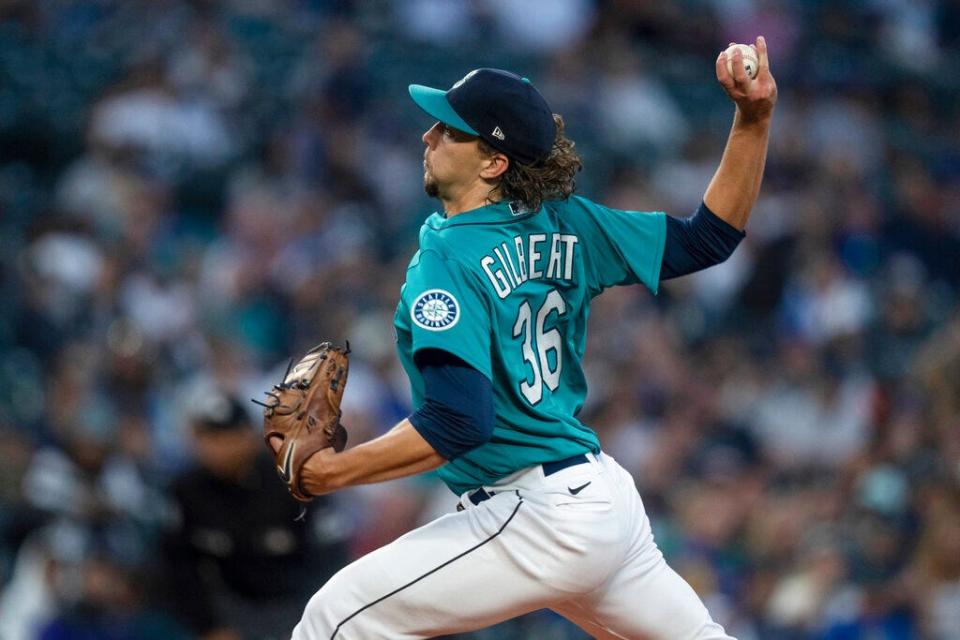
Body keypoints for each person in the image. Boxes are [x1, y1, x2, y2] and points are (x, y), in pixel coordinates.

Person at [282, 36, 777, 639]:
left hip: (536, 513)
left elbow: (459, 422)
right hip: (599, 501)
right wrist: (753, 120)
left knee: (335, 618)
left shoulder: (447, 258)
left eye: (450, 131)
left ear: (493, 164)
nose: (428, 137)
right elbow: (710, 238)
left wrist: (331, 473)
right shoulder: (569, 222)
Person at [163, 394, 346, 640]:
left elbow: (329, 556)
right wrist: (209, 626)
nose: (218, 448)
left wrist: (313, 622)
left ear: (249, 436)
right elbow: (179, 567)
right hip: (230, 608)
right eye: (209, 438)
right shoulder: (186, 491)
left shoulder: (293, 479)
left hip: (295, 602)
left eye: (227, 437)